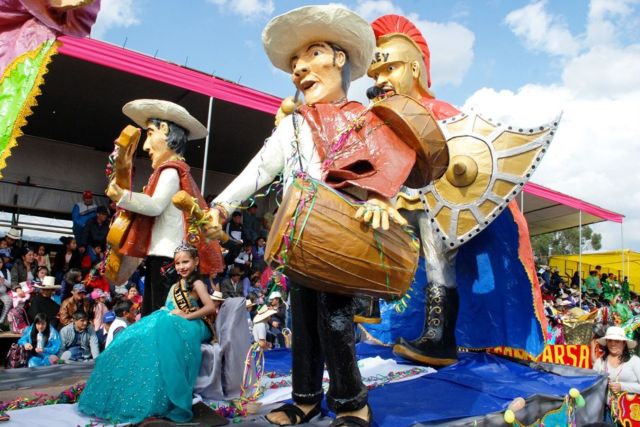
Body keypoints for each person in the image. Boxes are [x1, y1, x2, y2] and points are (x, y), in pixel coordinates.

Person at [207, 5, 415, 425]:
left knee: (335, 322)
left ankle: (351, 402)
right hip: (298, 240)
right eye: (294, 63)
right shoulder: (294, 124)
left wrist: (379, 199)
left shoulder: (364, 120)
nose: (299, 68)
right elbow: (262, 167)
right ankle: (304, 398)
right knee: (302, 322)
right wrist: (222, 204)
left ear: (340, 59)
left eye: (313, 54)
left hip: (340, 239)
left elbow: (385, 166)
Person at [364, 14, 548, 366]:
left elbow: (465, 164)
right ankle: (367, 306)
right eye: (375, 75)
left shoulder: (443, 115)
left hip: (436, 209)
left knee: (437, 255)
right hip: (393, 210)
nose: (380, 81)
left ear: (414, 70)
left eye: (388, 70)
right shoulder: (376, 121)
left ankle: (439, 336)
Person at [105, 99, 224, 316]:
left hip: (166, 259)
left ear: (165, 130)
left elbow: (154, 206)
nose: (146, 146)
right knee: (155, 314)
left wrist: (122, 196)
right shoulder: (171, 172)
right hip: (162, 258)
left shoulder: (170, 171)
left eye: (149, 133)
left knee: (158, 317)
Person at [79, 243, 219, 424]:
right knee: (136, 334)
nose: (181, 267)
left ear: (196, 261)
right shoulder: (177, 285)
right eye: (178, 263)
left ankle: (173, 397)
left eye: (186, 262)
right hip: (172, 321)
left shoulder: (198, 282)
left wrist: (187, 315)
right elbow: (169, 308)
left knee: (163, 325)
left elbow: (210, 308)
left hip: (193, 324)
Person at [592, 326, 640, 422]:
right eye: (610, 341)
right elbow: (593, 387)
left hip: (631, 414)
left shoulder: (634, 361)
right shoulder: (600, 362)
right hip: (606, 413)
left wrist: (622, 386)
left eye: (617, 341)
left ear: (624, 343)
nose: (613, 344)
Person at [0, 257, 12, 324]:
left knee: (9, 300)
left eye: (0, 262)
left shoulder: (6, 271)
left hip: (3, 293)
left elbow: (10, 285)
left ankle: (1, 321)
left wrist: (4, 280)